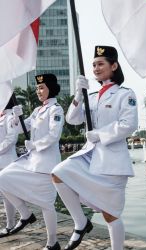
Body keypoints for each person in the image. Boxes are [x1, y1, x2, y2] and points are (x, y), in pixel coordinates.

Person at [52, 45, 138, 250]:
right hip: (89, 156)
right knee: (58, 173)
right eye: (93, 65)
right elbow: (72, 119)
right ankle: (81, 223)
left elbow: (129, 125)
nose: (96, 68)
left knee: (111, 213)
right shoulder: (91, 97)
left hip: (113, 161)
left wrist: (99, 134)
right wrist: (78, 95)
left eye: (101, 64)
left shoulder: (125, 94)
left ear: (114, 65)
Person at [0, 74, 64, 250]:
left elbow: (54, 135)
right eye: (37, 88)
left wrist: (34, 145)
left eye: (42, 88)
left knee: (46, 204)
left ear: (51, 88)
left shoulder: (56, 109)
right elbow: (21, 128)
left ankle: (52, 243)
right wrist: (15, 117)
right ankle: (26, 214)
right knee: (3, 178)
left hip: (47, 164)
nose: (38, 91)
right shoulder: (37, 111)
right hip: (31, 162)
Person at [0, 96, 18, 238]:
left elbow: (12, 138)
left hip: (6, 162)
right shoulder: (2, 115)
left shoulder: (11, 116)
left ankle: (10, 224)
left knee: (7, 195)